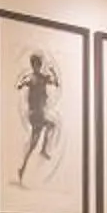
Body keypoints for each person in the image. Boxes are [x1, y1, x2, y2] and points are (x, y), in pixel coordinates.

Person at [11, 49, 63, 186]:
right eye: (35, 64)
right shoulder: (34, 78)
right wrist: (23, 81)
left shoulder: (41, 78)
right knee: (48, 128)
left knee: (35, 141)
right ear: (33, 65)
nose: (37, 67)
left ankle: (23, 168)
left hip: (38, 112)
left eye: (38, 64)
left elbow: (56, 83)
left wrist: (52, 72)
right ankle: (42, 151)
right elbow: (19, 85)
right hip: (35, 113)